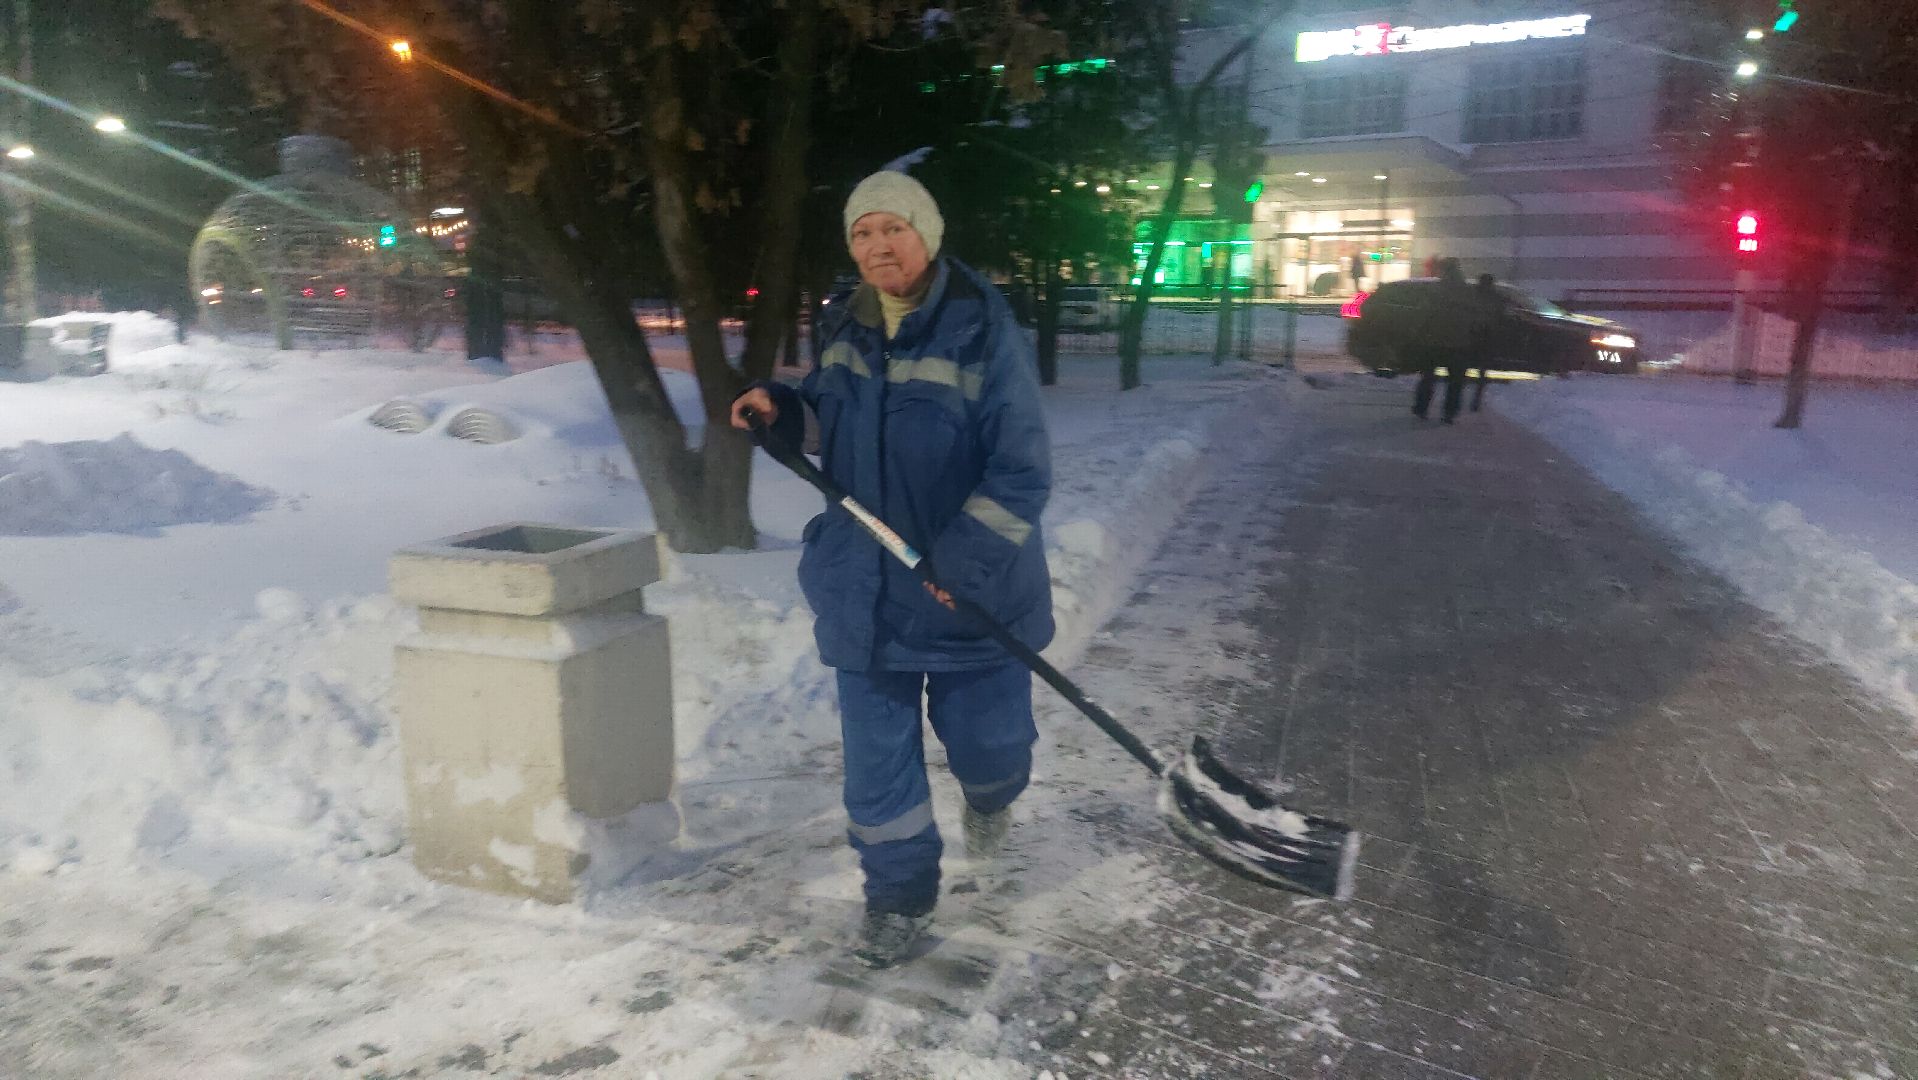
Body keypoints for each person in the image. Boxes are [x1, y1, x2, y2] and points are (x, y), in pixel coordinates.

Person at [729, 170, 1052, 969]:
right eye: (863, 233)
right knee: (877, 767)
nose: (878, 247)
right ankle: (898, 896)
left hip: (967, 593)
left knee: (991, 744)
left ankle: (992, 798)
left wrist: (959, 566)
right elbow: (826, 418)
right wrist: (781, 407)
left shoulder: (982, 328)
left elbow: (1021, 470)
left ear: (927, 234)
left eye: (893, 230)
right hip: (864, 587)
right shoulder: (847, 325)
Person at [1412, 258, 1482, 425]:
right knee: (1456, 382)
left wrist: (1419, 334)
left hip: (1434, 342)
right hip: (1459, 344)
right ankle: (1449, 413)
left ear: (1444, 270)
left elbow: (1423, 314)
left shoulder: (1436, 290)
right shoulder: (1468, 292)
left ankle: (1421, 408)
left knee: (1428, 378)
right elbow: (1476, 319)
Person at [1470, 273, 1504, 412]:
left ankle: (1464, 399)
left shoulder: (1472, 296)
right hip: (1487, 337)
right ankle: (1476, 400)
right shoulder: (1496, 298)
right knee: (1482, 371)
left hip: (1472, 336)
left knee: (1463, 367)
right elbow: (1500, 317)